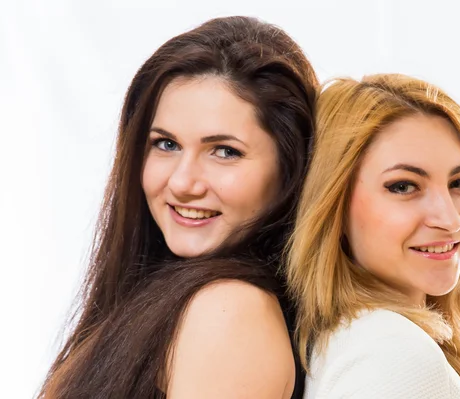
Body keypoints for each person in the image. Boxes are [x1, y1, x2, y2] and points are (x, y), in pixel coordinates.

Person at [39, 16, 318, 398]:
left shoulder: (231, 312)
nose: (183, 183)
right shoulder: (168, 295)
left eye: (225, 151)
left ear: (290, 169)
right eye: (166, 144)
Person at [287, 74, 460, 398]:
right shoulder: (394, 354)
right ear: (333, 206)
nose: (450, 219)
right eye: (403, 186)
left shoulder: (351, 340)